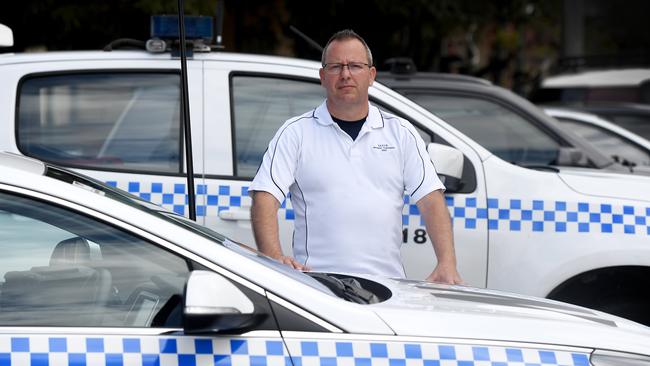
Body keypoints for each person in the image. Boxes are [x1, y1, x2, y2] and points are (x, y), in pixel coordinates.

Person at [249, 29, 462, 284]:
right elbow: (265, 197)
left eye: (355, 66)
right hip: (317, 288)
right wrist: (274, 258)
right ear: (322, 77)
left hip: (388, 290)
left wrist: (447, 263)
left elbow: (430, 199)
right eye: (336, 66)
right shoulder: (295, 133)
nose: (345, 74)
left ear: (371, 75)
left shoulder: (401, 133)